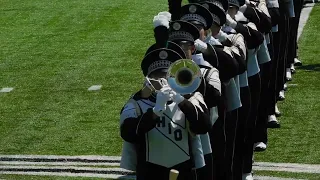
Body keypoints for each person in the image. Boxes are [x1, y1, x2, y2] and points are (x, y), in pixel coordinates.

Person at [120, 47, 211, 180]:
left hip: (185, 170)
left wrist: (180, 100)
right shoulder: (136, 103)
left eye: (166, 76)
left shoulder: (191, 99)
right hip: (149, 172)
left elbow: (204, 126)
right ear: (149, 80)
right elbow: (128, 133)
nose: (163, 81)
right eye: (157, 77)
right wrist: (155, 112)